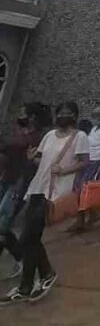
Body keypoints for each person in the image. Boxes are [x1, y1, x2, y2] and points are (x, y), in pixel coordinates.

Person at [1, 101, 89, 305]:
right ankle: (34, 281)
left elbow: (84, 161)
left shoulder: (80, 136)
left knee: (27, 239)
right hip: (37, 188)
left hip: (56, 192)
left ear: (75, 116)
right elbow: (42, 160)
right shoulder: (49, 136)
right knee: (32, 239)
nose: (64, 115)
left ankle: (36, 280)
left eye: (68, 113)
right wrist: (32, 159)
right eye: (61, 112)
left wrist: (65, 170)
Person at [0, 103, 49, 278]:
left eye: (23, 113)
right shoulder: (20, 132)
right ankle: (19, 257)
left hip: (19, 183)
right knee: (3, 225)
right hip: (7, 179)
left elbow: (33, 163)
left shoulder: (38, 138)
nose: (20, 116)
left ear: (33, 117)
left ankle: (21, 258)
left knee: (3, 225)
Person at [69, 107, 100, 232]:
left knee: (84, 191)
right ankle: (89, 216)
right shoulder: (94, 128)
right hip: (88, 160)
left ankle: (82, 219)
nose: (94, 118)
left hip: (97, 161)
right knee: (78, 189)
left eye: (97, 115)